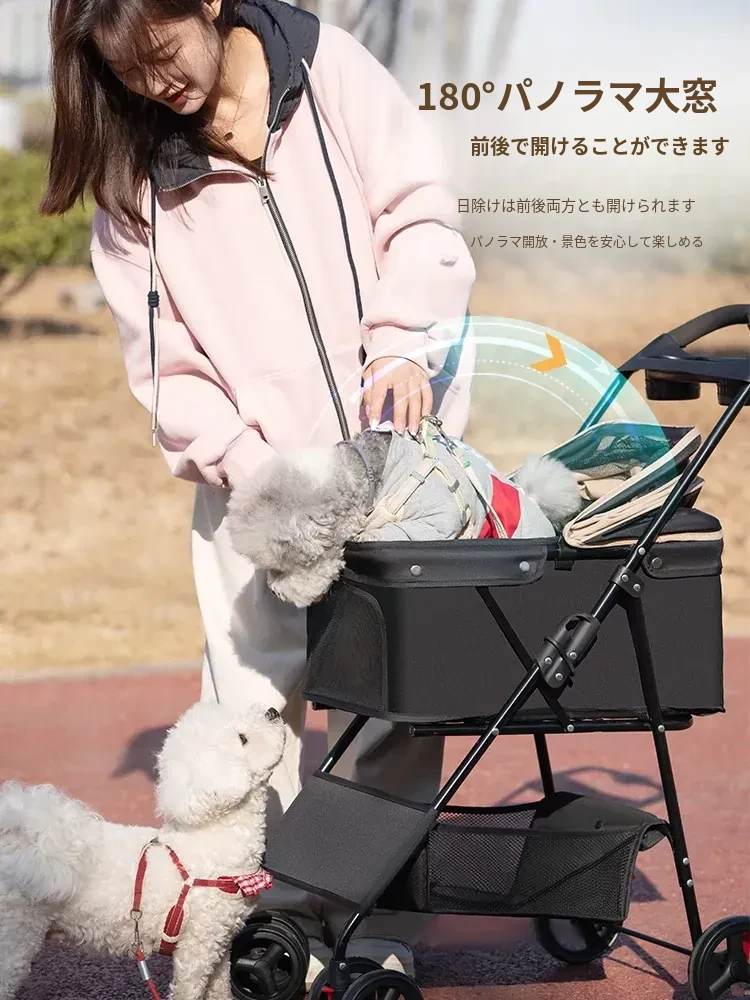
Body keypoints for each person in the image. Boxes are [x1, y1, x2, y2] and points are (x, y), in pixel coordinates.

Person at [42, 0, 476, 986]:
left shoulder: (328, 68)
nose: (155, 87)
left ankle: (367, 928)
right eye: (126, 73)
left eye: (161, 54)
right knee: (248, 713)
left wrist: (401, 342)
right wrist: (252, 468)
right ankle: (259, 931)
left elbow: (419, 213)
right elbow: (167, 369)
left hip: (398, 472)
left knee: (392, 718)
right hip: (255, 491)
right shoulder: (132, 177)